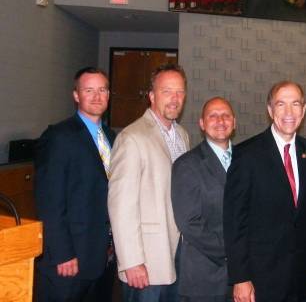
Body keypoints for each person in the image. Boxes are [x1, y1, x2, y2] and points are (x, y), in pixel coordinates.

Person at [224, 81, 306, 302]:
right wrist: (240, 278)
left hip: (302, 274)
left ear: (304, 109)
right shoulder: (246, 155)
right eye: (281, 104)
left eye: (295, 104)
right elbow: (235, 222)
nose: (289, 112)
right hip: (262, 278)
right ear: (270, 110)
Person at [108, 63, 190, 302]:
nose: (174, 99)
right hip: (147, 258)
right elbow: (120, 205)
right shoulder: (132, 137)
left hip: (176, 251)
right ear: (152, 96)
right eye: (167, 91)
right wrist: (132, 261)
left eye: (180, 92)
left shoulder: (182, 135)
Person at [35, 67, 116, 301]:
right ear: (76, 95)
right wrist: (62, 253)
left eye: (102, 90)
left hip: (103, 255)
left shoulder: (112, 137)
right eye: (89, 90)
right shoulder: (58, 136)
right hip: (70, 258)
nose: (97, 96)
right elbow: (49, 201)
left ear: (109, 95)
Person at [172, 97, 236, 302]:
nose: (220, 121)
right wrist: (232, 250)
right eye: (213, 116)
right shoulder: (187, 165)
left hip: (243, 276)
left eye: (226, 115)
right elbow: (189, 223)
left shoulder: (246, 160)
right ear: (201, 123)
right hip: (205, 278)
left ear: (234, 122)